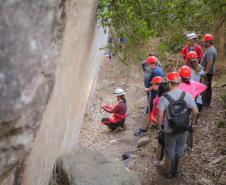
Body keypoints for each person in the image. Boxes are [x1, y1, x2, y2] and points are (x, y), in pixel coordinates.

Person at [157, 72, 199, 178]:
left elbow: (160, 115)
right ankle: (177, 171)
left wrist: (159, 127)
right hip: (184, 128)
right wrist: (191, 122)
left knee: (170, 148)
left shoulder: (164, 98)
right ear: (179, 82)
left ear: (169, 83)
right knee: (180, 147)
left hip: (169, 129)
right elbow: (196, 111)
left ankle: (169, 172)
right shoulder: (187, 95)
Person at [134, 57, 165, 136]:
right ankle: (150, 125)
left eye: (149, 64)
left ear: (153, 64)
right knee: (150, 110)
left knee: (149, 111)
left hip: (154, 94)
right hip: (155, 94)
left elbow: (156, 85)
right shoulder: (157, 70)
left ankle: (143, 130)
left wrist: (148, 89)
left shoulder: (156, 72)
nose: (148, 66)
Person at [200, 34, 217, 106]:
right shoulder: (211, 48)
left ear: (208, 42)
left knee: (206, 87)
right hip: (208, 71)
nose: (203, 43)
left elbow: (210, 62)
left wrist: (205, 72)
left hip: (208, 72)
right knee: (208, 86)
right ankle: (207, 101)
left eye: (205, 42)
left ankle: (206, 102)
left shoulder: (210, 51)